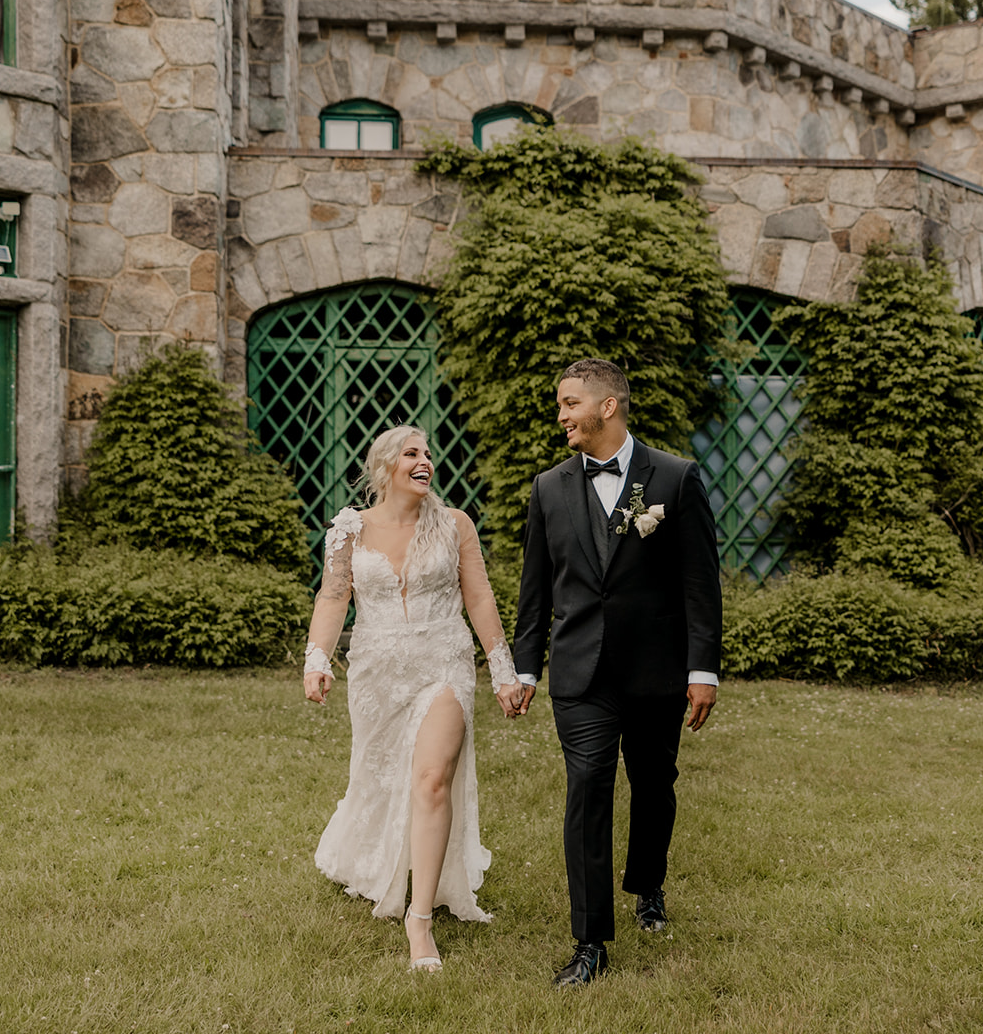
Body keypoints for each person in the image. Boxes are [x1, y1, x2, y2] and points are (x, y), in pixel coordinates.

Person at [512, 358, 722, 988]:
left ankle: (648, 885)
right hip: (580, 675)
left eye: (570, 403)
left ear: (608, 406)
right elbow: (534, 590)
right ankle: (589, 942)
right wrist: (526, 668)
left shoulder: (676, 478)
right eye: (560, 404)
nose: (562, 416)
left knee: (655, 785)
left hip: (656, 672)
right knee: (587, 792)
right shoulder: (549, 488)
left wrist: (702, 667)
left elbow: (699, 584)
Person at [303, 424, 524, 972]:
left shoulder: (454, 525)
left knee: (432, 779)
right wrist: (317, 660)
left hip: (442, 666)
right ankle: (378, 859)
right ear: (385, 467)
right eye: (412, 453)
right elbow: (333, 598)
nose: (425, 461)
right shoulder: (349, 530)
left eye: (427, 453)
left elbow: (478, 595)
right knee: (378, 780)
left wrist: (502, 672)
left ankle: (419, 919)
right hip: (377, 674)